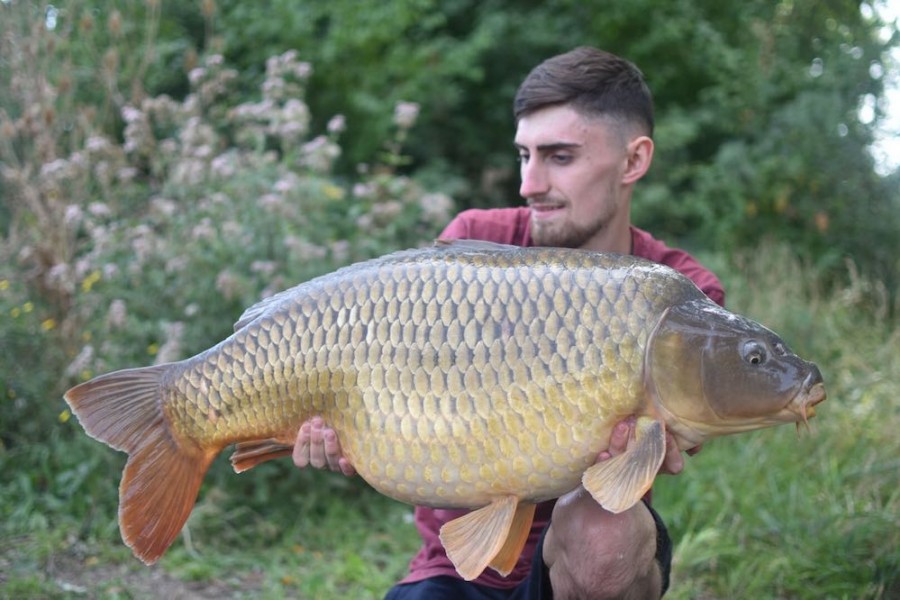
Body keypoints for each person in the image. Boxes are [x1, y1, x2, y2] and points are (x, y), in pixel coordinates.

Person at [293, 46, 725, 599]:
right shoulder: (476, 245)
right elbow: (395, 385)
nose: (529, 183)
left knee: (602, 533)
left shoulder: (679, 291)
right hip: (456, 559)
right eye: (524, 155)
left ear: (633, 161)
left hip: (587, 557)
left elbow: (688, 426)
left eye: (559, 157)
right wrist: (336, 425)